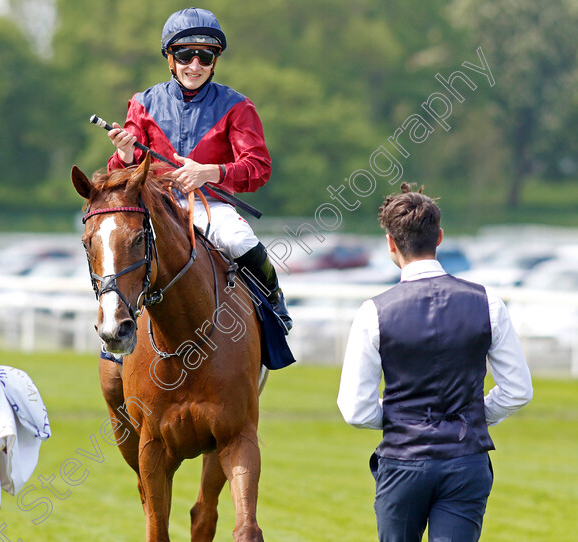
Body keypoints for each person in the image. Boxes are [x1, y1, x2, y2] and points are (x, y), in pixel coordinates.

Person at [337, 183, 533, 542]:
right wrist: (475, 414)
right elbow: (518, 391)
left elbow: (356, 410)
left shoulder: (372, 312)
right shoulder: (488, 301)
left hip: (403, 461)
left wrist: (401, 417)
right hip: (466, 459)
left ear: (390, 243)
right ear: (439, 237)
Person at [106, 7, 291, 331]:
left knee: (240, 241)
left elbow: (259, 167)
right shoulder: (142, 103)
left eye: (205, 57)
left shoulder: (237, 106)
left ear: (214, 61)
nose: (195, 65)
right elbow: (121, 174)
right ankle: (113, 337)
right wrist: (124, 154)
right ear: (170, 58)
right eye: (185, 55)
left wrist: (211, 173)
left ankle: (274, 307)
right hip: (157, 209)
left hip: (210, 208)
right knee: (116, 247)